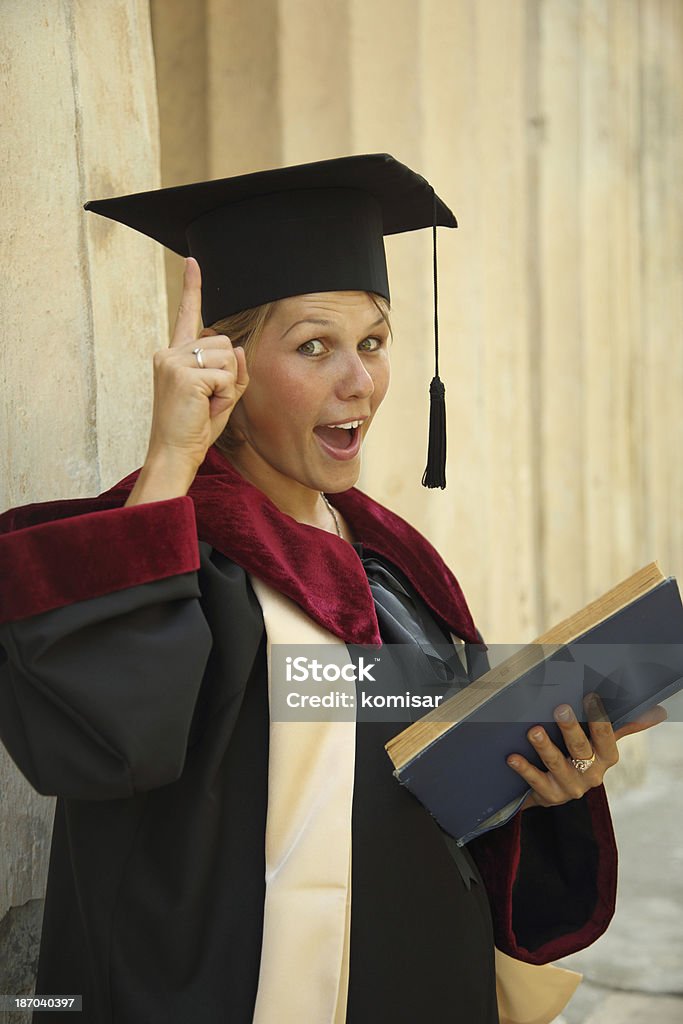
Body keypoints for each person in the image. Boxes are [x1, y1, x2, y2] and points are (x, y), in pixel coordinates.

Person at [0, 155, 666, 1024]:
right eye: (314, 346)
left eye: (374, 343)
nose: (358, 381)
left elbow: (416, 772)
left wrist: (544, 777)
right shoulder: (158, 545)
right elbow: (103, 749)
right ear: (223, 369)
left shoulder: (391, 558)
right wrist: (171, 457)